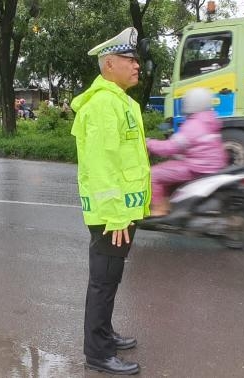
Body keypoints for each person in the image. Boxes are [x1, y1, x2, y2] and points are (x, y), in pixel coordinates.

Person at [70, 26, 149, 376]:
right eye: (129, 60)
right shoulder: (103, 105)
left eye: (137, 60)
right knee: (102, 282)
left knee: (111, 279)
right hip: (110, 215)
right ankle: (97, 353)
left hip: (122, 211)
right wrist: (117, 215)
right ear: (108, 65)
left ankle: (105, 334)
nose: (137, 66)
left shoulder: (122, 101)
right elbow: (101, 166)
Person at [146, 87, 226, 216]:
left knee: (153, 174)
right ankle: (170, 203)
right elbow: (193, 146)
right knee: (169, 166)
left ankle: (159, 210)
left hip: (196, 167)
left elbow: (170, 147)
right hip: (212, 166)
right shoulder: (210, 121)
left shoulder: (193, 125)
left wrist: (149, 143)